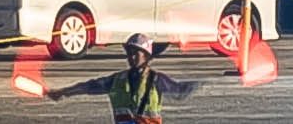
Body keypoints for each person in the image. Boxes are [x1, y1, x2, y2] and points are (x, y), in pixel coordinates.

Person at [42, 33, 203, 123]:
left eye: (136, 53)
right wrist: (63, 92)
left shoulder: (157, 80)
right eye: (129, 53)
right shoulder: (117, 80)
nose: (131, 57)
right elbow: (88, 86)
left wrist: (198, 84)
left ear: (147, 56)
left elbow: (179, 92)